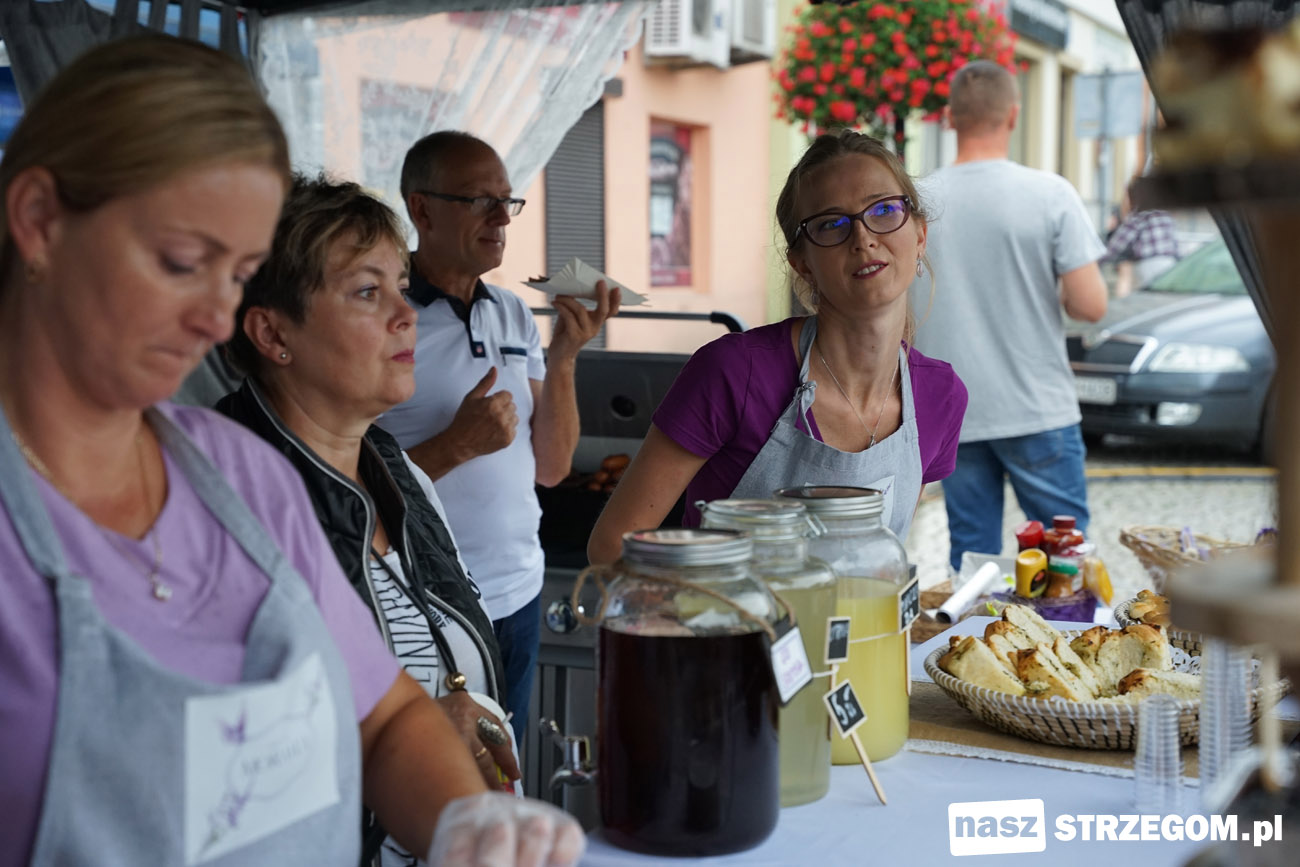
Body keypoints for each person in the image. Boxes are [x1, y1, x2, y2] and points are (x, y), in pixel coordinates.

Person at [0, 35, 581, 867]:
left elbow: (386, 716)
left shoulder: (232, 471)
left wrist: (467, 823)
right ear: (39, 222)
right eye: (182, 262)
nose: (214, 318)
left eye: (236, 274)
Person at [216, 175, 527, 863]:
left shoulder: (395, 467)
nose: (406, 313)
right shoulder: (224, 495)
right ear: (273, 332)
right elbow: (216, 755)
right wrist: (408, 744)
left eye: (401, 285)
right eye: (366, 291)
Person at [587, 130, 968, 564]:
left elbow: (879, 559)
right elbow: (612, 548)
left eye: (884, 210)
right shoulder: (734, 373)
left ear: (919, 235)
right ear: (802, 264)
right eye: (831, 224)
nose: (863, 238)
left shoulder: (940, 396)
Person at [377, 132, 619, 744]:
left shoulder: (512, 312)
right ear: (422, 209)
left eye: (507, 202)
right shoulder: (383, 318)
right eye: (479, 200)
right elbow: (351, 483)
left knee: (504, 769)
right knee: (436, 776)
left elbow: (553, 467)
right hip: (430, 601)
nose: (501, 219)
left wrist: (565, 355)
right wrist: (457, 444)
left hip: (518, 589)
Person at [909, 60, 1109, 574]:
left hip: (955, 411)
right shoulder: (1050, 194)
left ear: (949, 118)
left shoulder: (916, 202)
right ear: (1013, 116)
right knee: (1065, 561)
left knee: (974, 561)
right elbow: (1090, 305)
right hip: (1037, 406)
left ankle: (982, 628)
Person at [1103, 178, 1180, 297]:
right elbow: (1175, 243)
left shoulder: (1139, 215)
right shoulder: (1166, 214)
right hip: (1170, 262)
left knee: (1144, 293)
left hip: (1149, 264)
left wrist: (1098, 260)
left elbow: (1117, 244)